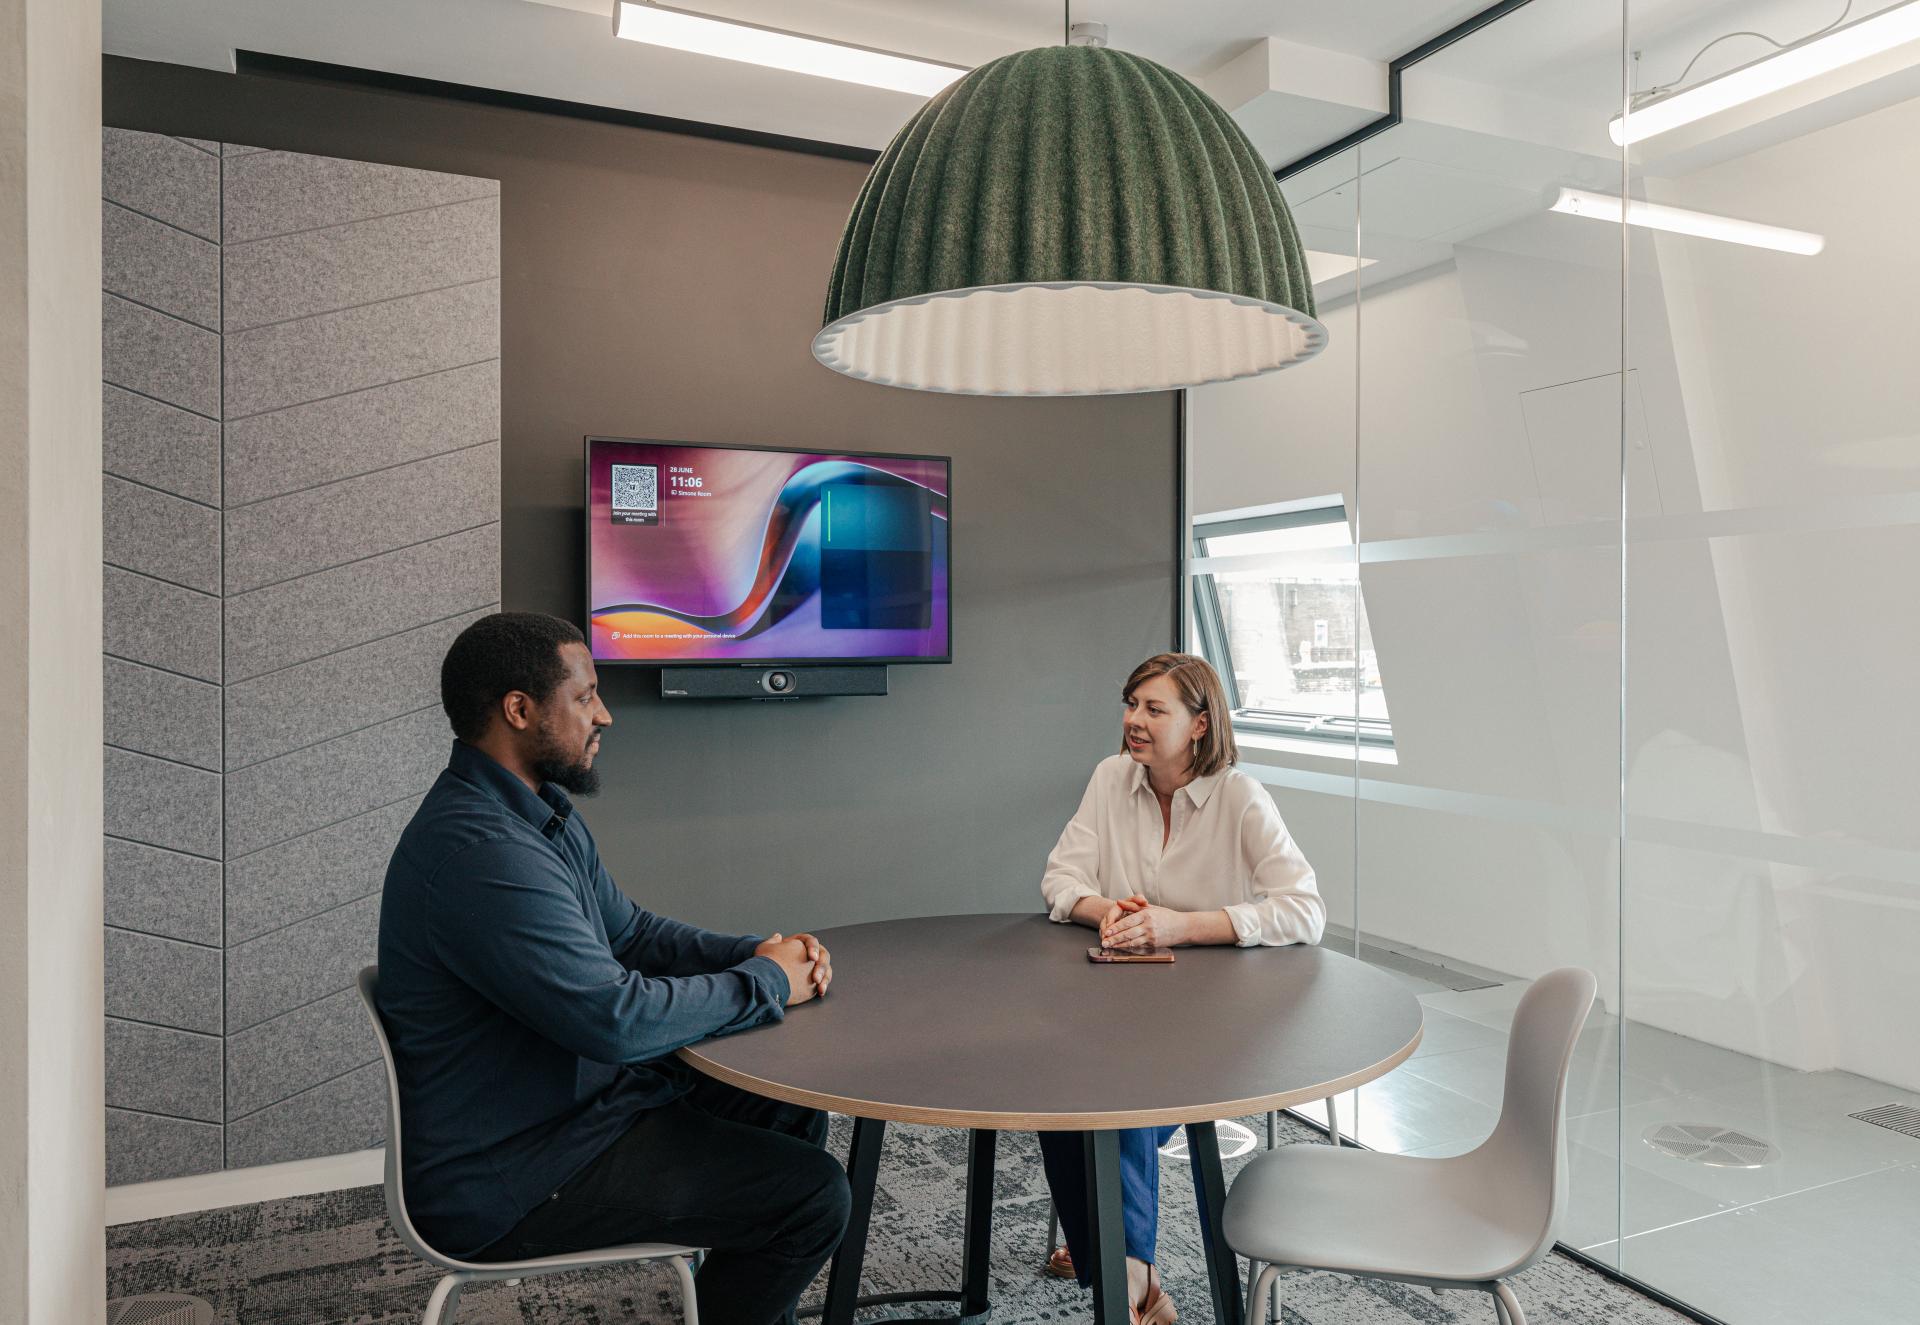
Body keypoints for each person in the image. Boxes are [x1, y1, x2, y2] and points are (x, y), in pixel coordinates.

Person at [377, 612, 850, 1325]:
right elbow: (615, 1018)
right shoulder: (480, 854)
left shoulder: (538, 813)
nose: (605, 713)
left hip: (572, 1112)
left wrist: (749, 952)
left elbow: (631, 934)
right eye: (586, 694)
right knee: (813, 1195)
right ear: (519, 708)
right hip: (515, 1174)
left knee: (785, 1102)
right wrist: (769, 983)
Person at [1037, 652, 1325, 1324]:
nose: (1133, 720)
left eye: (1153, 708)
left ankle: (1125, 1276)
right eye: (1131, 704)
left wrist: (1186, 926)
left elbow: (1305, 908)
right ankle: (1123, 1265)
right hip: (1119, 1015)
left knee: (1124, 1089)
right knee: (1053, 1091)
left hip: (1216, 1031)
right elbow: (1059, 879)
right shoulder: (1111, 779)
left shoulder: (1240, 796)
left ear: (1200, 723)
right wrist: (1102, 909)